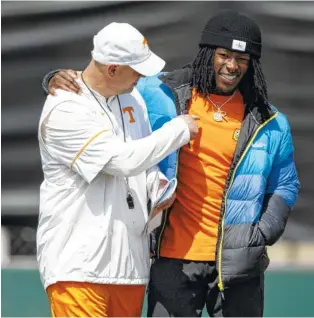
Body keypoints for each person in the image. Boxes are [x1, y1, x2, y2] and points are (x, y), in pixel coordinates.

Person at [43, 10, 300, 317]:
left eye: (243, 59)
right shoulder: (159, 94)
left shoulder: (271, 122)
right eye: (224, 54)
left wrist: (260, 235)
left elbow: (286, 184)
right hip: (171, 260)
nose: (232, 66)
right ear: (207, 53)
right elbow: (107, 82)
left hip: (238, 268)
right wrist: (57, 78)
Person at [37, 22, 199, 318]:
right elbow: (122, 161)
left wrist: (158, 188)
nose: (142, 76)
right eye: (136, 68)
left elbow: (143, 163)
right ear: (112, 69)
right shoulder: (65, 108)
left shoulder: (133, 97)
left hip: (130, 268)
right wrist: (179, 130)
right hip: (78, 270)